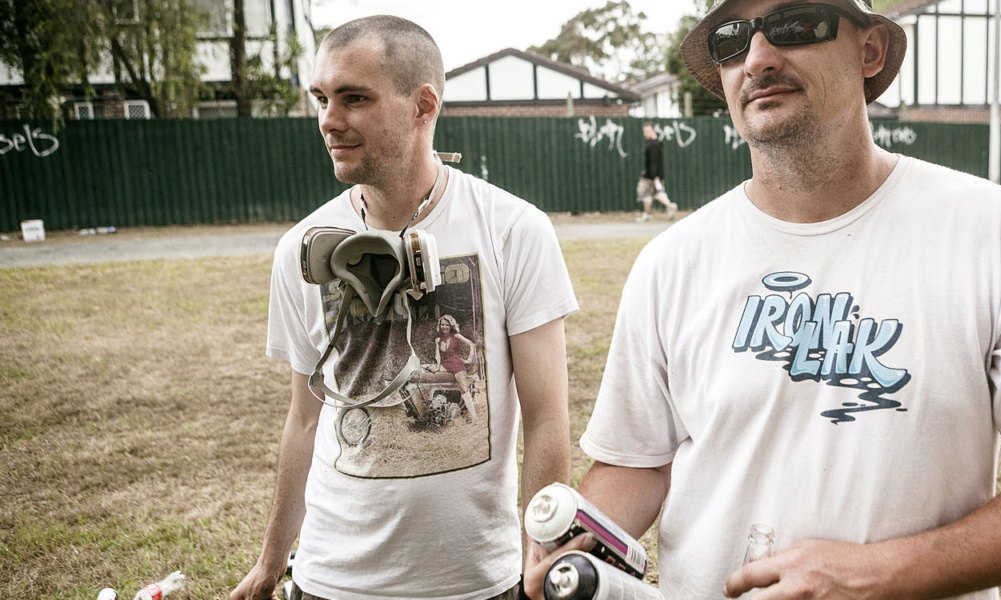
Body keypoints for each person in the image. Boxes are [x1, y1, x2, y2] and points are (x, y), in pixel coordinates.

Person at [531, 0, 1001, 599]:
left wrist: (880, 574)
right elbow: (636, 462)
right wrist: (581, 539)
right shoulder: (671, 263)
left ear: (869, 50)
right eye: (731, 39)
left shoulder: (998, 235)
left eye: (794, 24)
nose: (757, 58)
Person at [232, 15, 577, 600]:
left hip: (475, 583)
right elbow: (305, 419)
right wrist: (270, 563)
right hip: (328, 581)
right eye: (321, 98)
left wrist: (538, 563)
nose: (328, 120)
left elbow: (547, 419)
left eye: (354, 98)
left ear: (423, 106)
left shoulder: (515, 231)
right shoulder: (301, 249)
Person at [433, 313, 478, 422]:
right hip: (445, 365)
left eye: (447, 325)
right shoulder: (438, 340)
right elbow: (438, 355)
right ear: (439, 326)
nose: (444, 327)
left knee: (464, 388)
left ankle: (474, 418)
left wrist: (469, 359)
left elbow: (471, 344)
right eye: (442, 324)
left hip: (457, 364)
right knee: (426, 372)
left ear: (451, 326)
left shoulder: (456, 336)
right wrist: (438, 367)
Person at [636, 122, 678, 222]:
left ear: (653, 131)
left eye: (647, 131)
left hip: (651, 176)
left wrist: (654, 176)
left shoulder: (653, 145)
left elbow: (654, 162)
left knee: (645, 194)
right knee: (658, 193)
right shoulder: (657, 144)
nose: (645, 133)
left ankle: (647, 215)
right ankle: (670, 205)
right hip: (655, 175)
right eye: (644, 131)